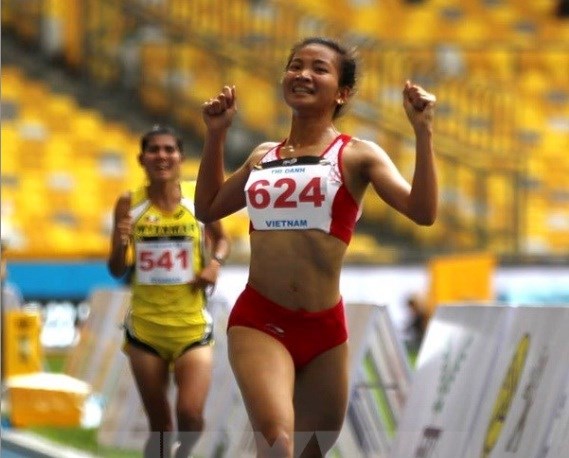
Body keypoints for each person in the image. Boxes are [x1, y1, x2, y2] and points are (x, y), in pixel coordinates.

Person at [196, 36, 437, 457]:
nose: (303, 74)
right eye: (295, 65)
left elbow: (422, 211)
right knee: (278, 442)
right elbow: (208, 207)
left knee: (311, 451)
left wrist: (423, 131)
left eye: (319, 68)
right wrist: (216, 135)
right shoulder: (262, 156)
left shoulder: (358, 155)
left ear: (342, 92)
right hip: (260, 320)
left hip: (325, 331)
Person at [107, 125, 230, 458]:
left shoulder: (196, 197)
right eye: (154, 150)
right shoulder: (129, 203)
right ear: (141, 159)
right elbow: (116, 269)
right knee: (160, 428)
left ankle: (183, 453)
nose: (161, 156)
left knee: (190, 416)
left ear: (181, 157)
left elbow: (222, 239)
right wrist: (120, 245)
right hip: (145, 331)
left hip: (191, 328)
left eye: (169, 149)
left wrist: (215, 264)